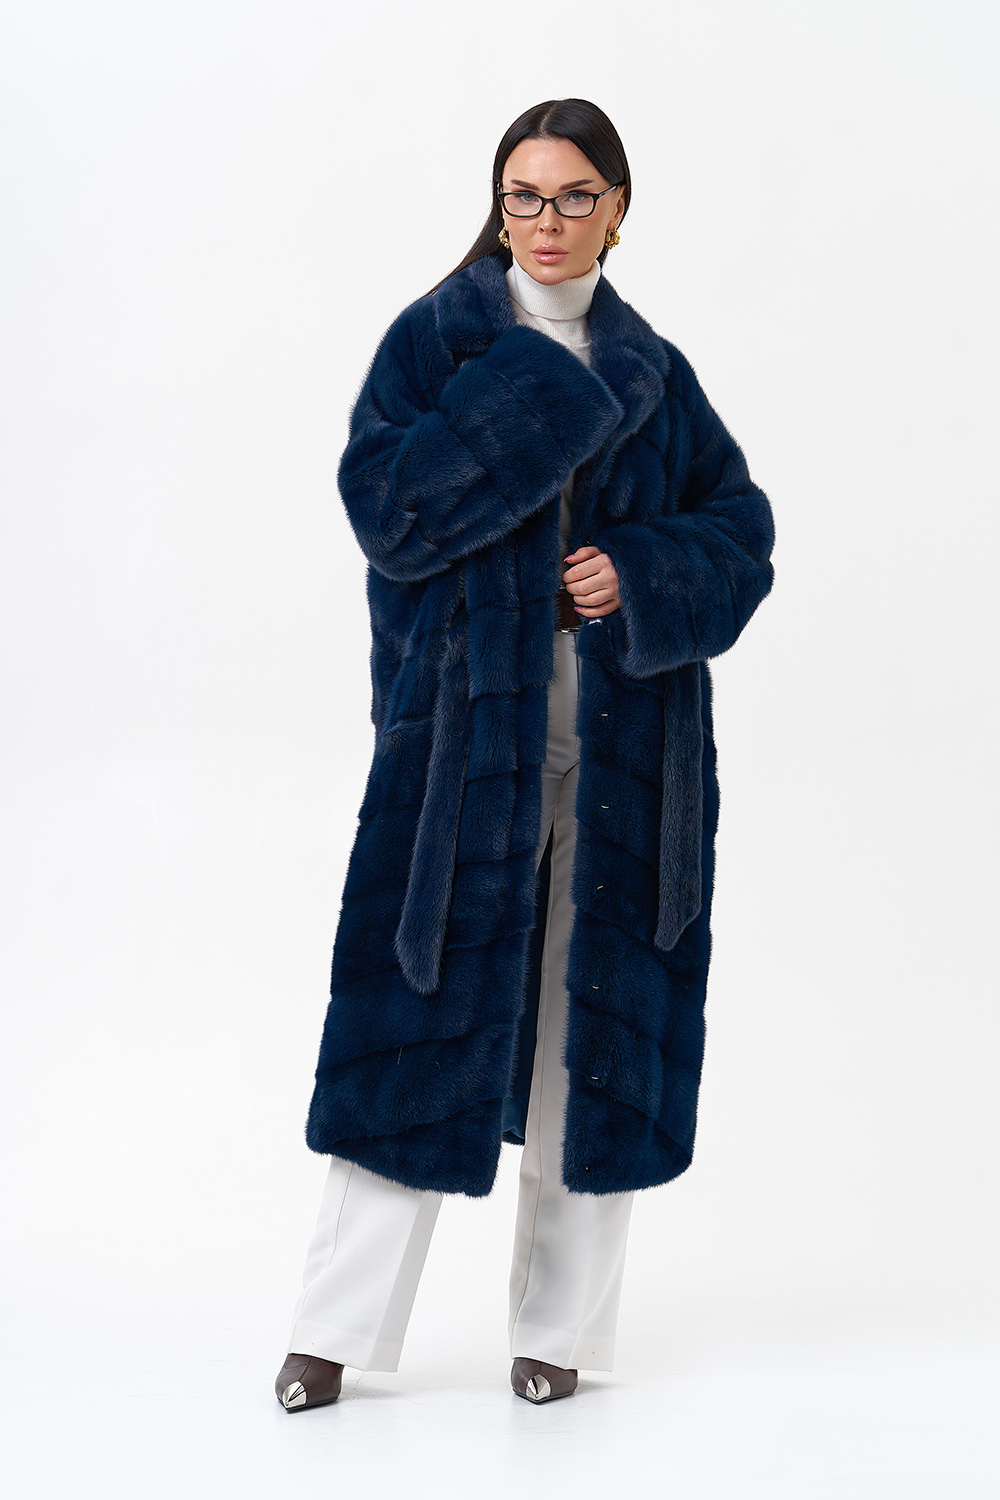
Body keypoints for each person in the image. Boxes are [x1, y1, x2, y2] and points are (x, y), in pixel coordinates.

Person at [274, 97, 775, 1412]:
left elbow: (740, 532)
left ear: (619, 207)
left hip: (627, 762)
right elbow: (390, 513)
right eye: (522, 197)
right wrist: (540, 393)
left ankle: (559, 1336)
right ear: (499, 208)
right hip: (457, 759)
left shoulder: (658, 371)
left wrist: (640, 571)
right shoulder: (439, 340)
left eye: (572, 196)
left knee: (588, 1051)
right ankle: (331, 1332)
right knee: (411, 1028)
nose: (545, 222)